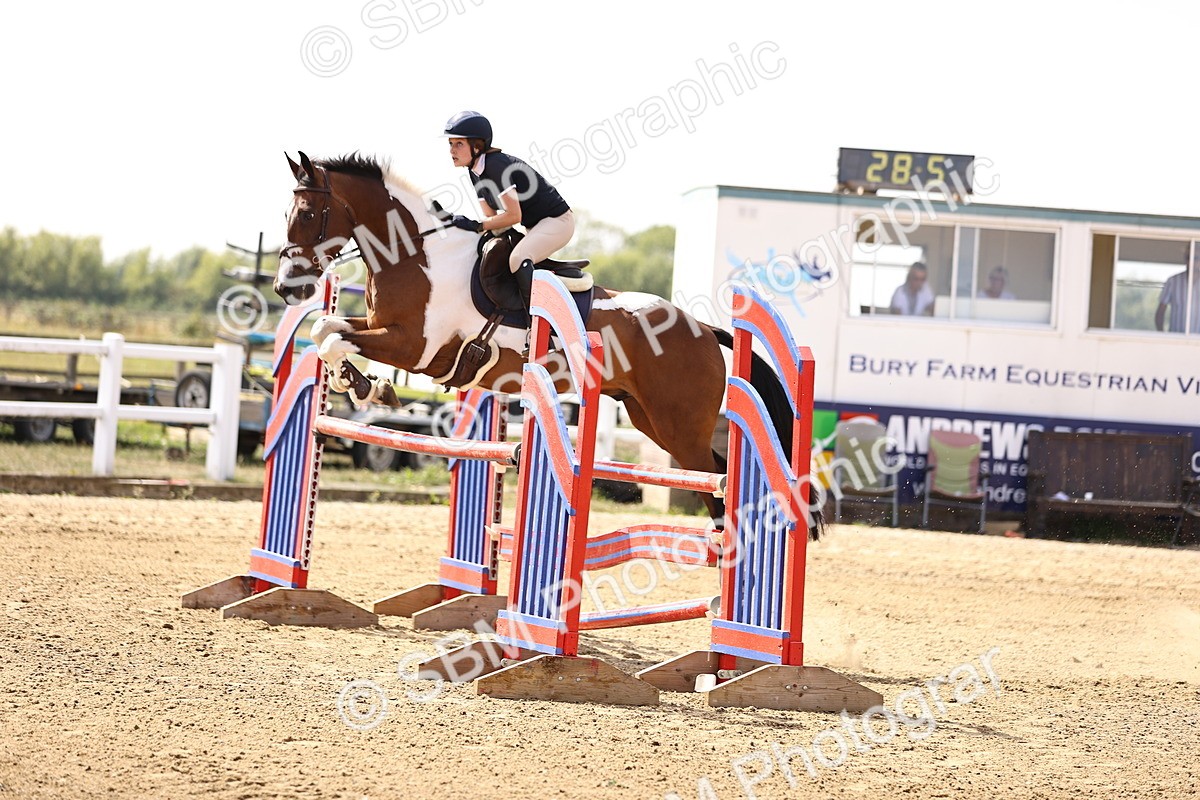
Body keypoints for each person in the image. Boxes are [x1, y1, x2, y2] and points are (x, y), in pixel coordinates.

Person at [442, 111, 575, 328]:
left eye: (458, 144)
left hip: (558, 221)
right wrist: (455, 222)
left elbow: (514, 216)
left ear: (477, 146)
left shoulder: (496, 166)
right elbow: (491, 217)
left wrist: (476, 225)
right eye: (450, 144)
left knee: (517, 259)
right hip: (536, 226)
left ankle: (538, 325)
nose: (451, 151)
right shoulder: (475, 171)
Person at [1155, 268, 1200, 333]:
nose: (1195, 262)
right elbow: (1160, 311)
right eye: (1188, 258)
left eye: (1197, 258)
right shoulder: (1173, 281)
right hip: (1176, 337)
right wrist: (1162, 335)